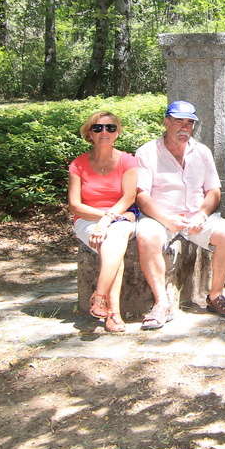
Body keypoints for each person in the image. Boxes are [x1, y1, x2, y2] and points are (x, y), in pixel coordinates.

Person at [134, 100, 225, 325]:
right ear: (166, 122)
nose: (184, 127)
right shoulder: (147, 152)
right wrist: (166, 219)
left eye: (189, 123)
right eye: (178, 121)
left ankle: (215, 295)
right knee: (146, 236)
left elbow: (213, 191)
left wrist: (202, 213)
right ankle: (161, 304)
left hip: (195, 217)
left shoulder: (202, 152)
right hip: (160, 217)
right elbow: (142, 196)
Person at [67, 111, 138, 333]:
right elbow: (75, 205)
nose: (104, 132)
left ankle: (100, 297)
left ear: (118, 132)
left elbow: (129, 198)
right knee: (113, 248)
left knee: (113, 239)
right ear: (89, 133)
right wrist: (102, 219)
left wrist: (107, 220)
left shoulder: (128, 161)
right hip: (87, 219)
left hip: (119, 218)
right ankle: (113, 314)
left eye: (110, 128)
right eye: (98, 128)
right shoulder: (78, 165)